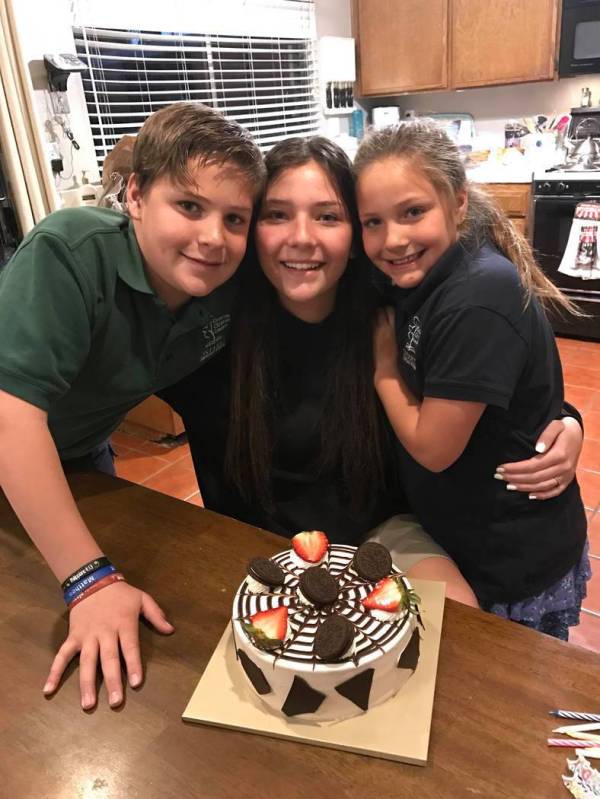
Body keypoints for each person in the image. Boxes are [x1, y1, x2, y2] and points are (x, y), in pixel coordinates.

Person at [162, 136, 584, 614]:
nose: (302, 237)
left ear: (355, 235)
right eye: (277, 215)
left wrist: (563, 422)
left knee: (458, 626)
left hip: (381, 532)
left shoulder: (390, 300)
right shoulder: (215, 321)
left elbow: (492, 367)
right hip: (258, 545)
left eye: (327, 216)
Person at [0, 102, 264, 709]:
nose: (212, 237)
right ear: (137, 194)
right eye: (189, 206)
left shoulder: (229, 284)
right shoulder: (72, 251)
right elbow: (13, 416)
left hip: (83, 456)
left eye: (235, 218)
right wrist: (88, 581)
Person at [354, 119, 590, 640]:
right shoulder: (414, 275)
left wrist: (386, 369)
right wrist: (569, 420)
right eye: (372, 222)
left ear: (458, 203)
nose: (393, 239)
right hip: (462, 533)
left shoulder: (476, 296)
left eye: (413, 212)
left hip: (511, 553)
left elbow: (433, 448)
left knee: (510, 702)